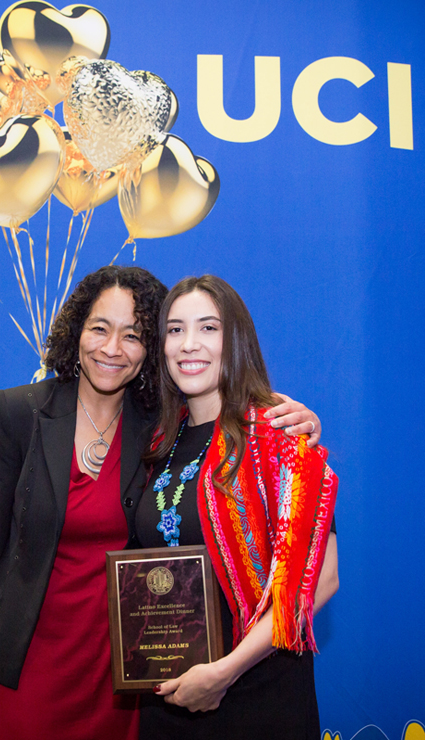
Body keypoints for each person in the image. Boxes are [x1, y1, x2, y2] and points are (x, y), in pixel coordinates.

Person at [0, 266, 324, 740]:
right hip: (22, 657)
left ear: (149, 351)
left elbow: (308, 565)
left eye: (133, 335)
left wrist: (294, 423)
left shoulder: (158, 425)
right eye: (100, 329)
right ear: (76, 331)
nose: (112, 348)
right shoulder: (20, 413)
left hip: (122, 670)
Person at [135, 275, 339, 740]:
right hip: (169, 700)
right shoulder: (157, 440)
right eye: (175, 329)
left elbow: (322, 579)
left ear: (236, 340)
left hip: (257, 694)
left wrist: (225, 671)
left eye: (208, 328)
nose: (189, 344)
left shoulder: (278, 435)